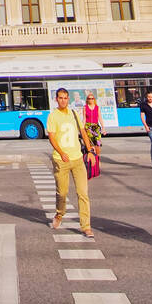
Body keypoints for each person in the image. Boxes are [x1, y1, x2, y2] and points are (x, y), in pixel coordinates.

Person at [47, 87, 95, 235]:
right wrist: (61, 153)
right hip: (61, 160)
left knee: (83, 193)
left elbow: (83, 133)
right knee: (62, 192)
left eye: (65, 98)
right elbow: (52, 137)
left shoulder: (74, 113)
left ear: (68, 99)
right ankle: (60, 213)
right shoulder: (53, 116)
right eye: (60, 98)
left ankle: (86, 226)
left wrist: (90, 151)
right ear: (56, 99)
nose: (63, 100)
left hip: (77, 159)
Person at [83, 92, 103, 178]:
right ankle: (92, 162)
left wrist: (103, 127)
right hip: (88, 127)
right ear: (87, 100)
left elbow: (100, 118)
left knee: (97, 145)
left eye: (92, 98)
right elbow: (84, 119)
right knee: (91, 145)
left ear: (94, 99)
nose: (91, 100)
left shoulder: (97, 107)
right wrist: (82, 128)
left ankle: (97, 159)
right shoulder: (85, 108)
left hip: (96, 127)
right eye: (89, 98)